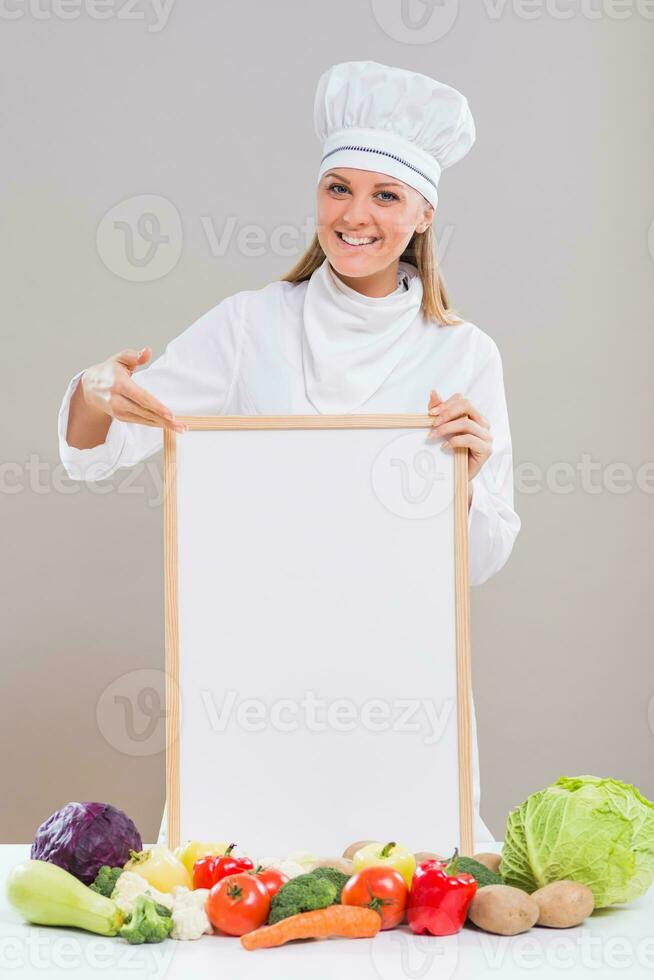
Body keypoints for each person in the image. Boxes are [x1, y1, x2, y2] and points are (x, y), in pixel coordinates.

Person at [59, 61, 520, 845]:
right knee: (239, 894)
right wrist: (94, 392)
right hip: (252, 681)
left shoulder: (464, 354)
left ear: (423, 212)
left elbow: (478, 561)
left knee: (405, 914)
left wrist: (469, 484)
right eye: (337, 188)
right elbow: (101, 447)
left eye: (385, 195)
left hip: (401, 687)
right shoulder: (251, 325)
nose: (355, 215)